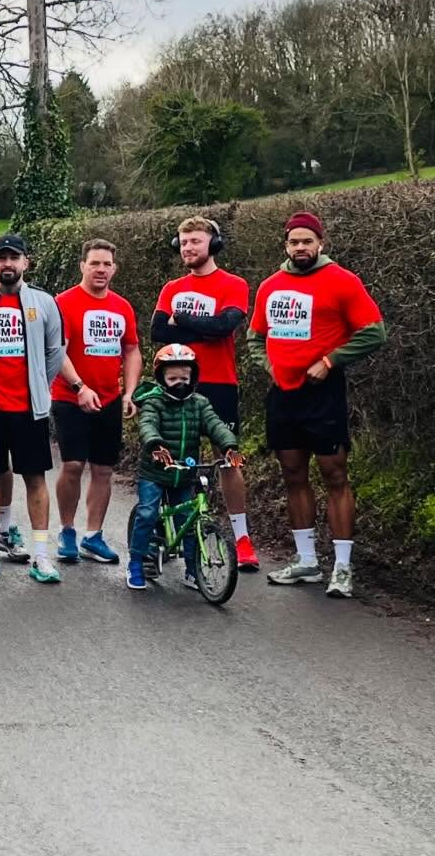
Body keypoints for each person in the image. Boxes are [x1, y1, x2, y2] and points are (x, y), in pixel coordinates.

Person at [250, 211, 386, 598]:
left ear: (320, 244)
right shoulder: (270, 286)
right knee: (293, 474)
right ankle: (307, 561)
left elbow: (375, 332)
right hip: (284, 396)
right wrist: (271, 367)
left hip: (323, 394)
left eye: (307, 241)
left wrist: (330, 361)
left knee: (335, 475)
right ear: (286, 246)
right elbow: (255, 338)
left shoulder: (343, 281)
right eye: (294, 242)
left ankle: (342, 568)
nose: (301, 248)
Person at [0, 233, 80, 584]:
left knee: (35, 478)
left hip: (31, 410)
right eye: (2, 258)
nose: (8, 264)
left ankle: (41, 556)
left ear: (26, 263)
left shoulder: (44, 303)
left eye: (15, 258)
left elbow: (55, 353)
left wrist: (39, 383)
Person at [152, 216, 260, 571]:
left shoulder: (234, 283)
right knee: (174, 457)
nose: (188, 248)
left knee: (228, 458)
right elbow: (157, 332)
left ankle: (242, 539)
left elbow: (224, 326)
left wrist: (181, 323)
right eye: (183, 242)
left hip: (220, 383)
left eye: (195, 241)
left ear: (213, 244)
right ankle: (170, 530)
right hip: (176, 384)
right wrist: (200, 329)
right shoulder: (171, 287)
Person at [52, 239, 142, 565]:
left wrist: (129, 392)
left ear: (114, 269)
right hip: (69, 396)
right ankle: (67, 530)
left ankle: (94, 535)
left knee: (104, 470)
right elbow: (57, 351)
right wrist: (79, 386)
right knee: (74, 465)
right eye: (95, 263)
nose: (101, 269)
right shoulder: (64, 303)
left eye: (106, 264)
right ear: (82, 266)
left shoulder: (122, 307)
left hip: (110, 399)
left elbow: (131, 349)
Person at [127, 344, 242, 591]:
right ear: (161, 378)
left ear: (193, 377)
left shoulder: (199, 403)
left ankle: (193, 569)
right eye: (172, 378)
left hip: (185, 472)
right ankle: (136, 562)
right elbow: (147, 425)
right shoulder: (154, 402)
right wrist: (155, 444)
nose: (179, 383)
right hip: (155, 471)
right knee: (147, 513)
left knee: (187, 522)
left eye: (184, 377)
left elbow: (215, 424)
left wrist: (229, 445)